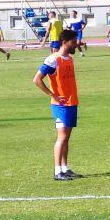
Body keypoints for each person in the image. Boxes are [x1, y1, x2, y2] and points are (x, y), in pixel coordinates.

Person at [32, 29, 80, 181]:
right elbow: (37, 79)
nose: (76, 44)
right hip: (60, 106)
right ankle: (57, 171)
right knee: (62, 137)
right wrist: (53, 95)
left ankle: (65, 168)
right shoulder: (53, 60)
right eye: (73, 42)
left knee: (66, 138)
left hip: (72, 103)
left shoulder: (70, 59)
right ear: (64, 42)